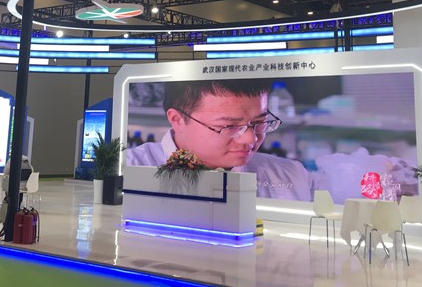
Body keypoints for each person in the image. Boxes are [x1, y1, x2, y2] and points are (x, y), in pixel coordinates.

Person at [124, 80, 315, 200]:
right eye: (230, 126)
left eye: (259, 122)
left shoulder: (292, 176)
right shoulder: (127, 170)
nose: (250, 138)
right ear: (177, 119)